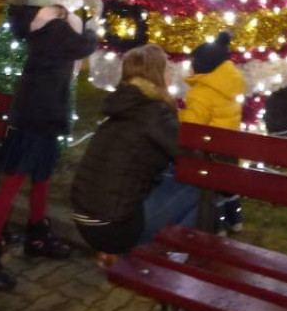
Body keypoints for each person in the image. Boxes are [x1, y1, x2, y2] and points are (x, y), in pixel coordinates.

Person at [0, 0, 99, 292]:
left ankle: (37, 233)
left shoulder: (35, 20)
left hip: (41, 111)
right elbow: (83, 45)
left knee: (41, 175)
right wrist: (95, 18)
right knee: (14, 181)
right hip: (38, 115)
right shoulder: (51, 26)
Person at [70, 44, 200, 257]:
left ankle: (157, 251)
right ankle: (175, 254)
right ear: (158, 76)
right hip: (115, 229)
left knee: (171, 177)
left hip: (85, 217)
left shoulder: (122, 105)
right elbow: (191, 160)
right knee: (201, 188)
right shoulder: (154, 112)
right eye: (166, 70)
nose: (169, 75)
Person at [180, 32, 245, 233]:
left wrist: (178, 116)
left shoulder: (201, 94)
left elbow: (192, 126)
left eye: (192, 63)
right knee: (228, 187)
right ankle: (235, 220)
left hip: (211, 151)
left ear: (203, 66)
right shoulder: (232, 82)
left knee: (212, 190)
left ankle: (217, 228)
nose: (190, 67)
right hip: (231, 147)